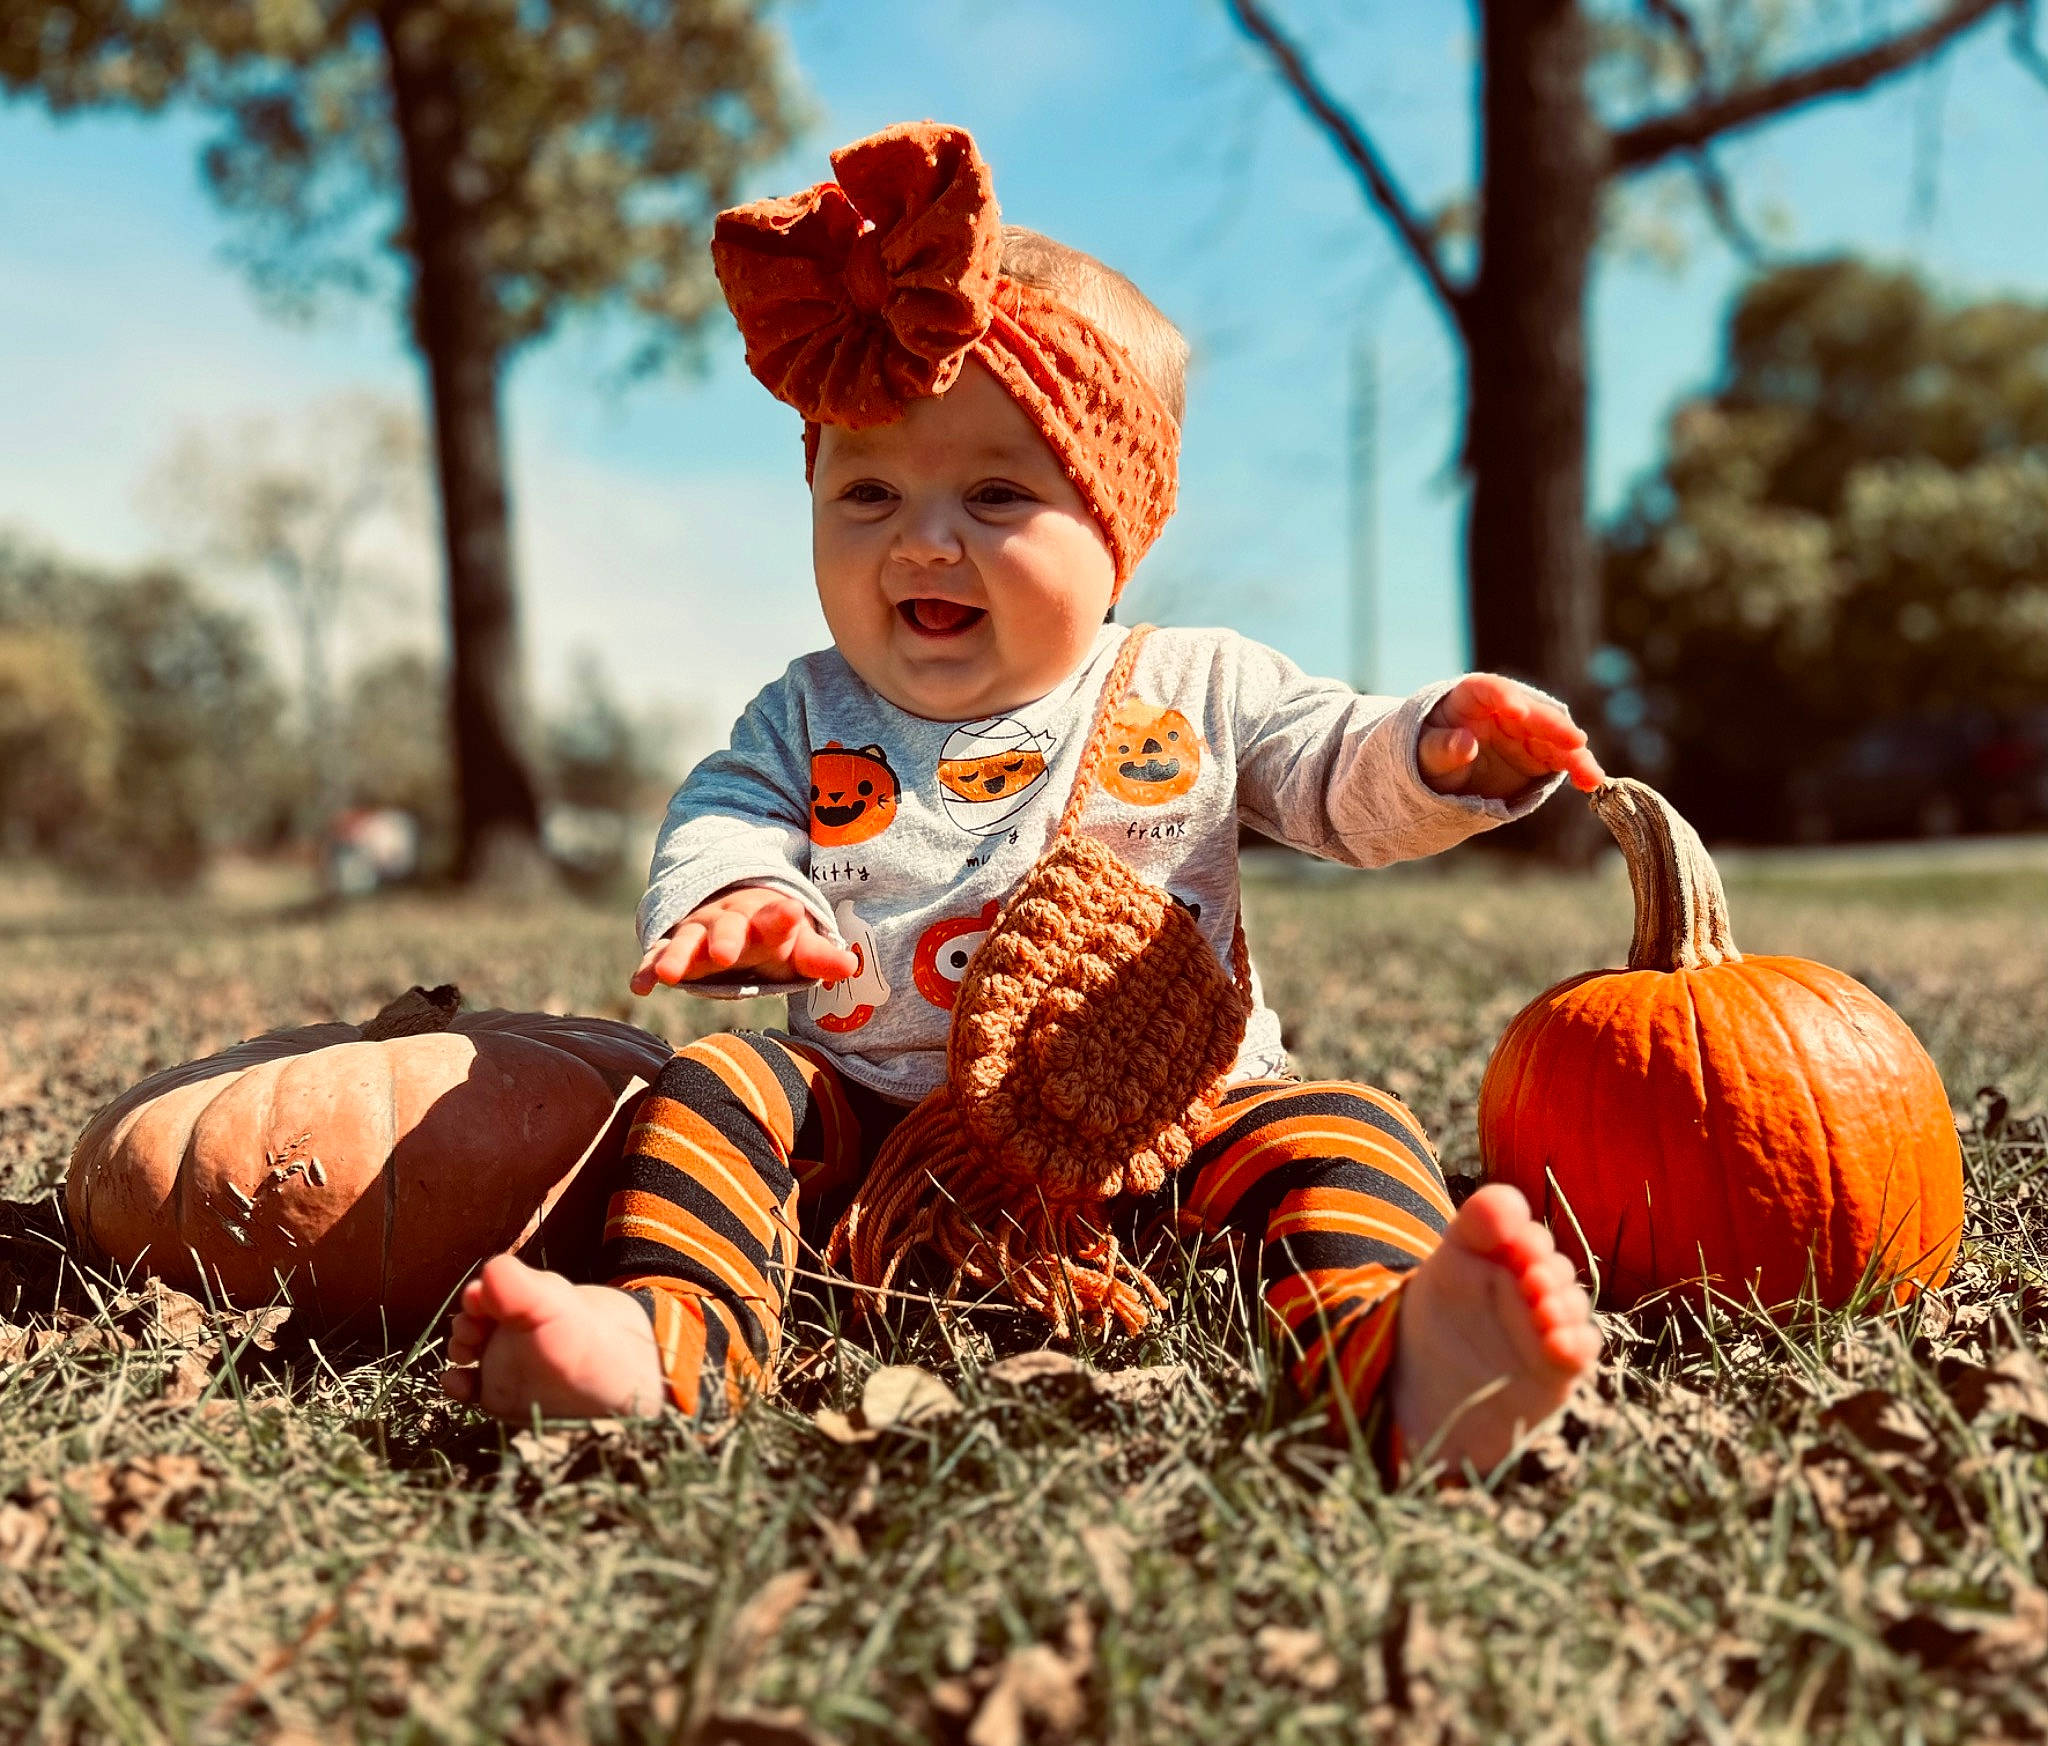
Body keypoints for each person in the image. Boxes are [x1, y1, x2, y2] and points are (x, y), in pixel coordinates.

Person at [443, 122, 1603, 1473]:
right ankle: (669, 1335)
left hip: (1169, 1131)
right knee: (722, 1086)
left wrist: (1434, 750)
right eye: (867, 490)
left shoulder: (1196, 681)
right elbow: (730, 807)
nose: (923, 538)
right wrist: (742, 892)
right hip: (876, 1145)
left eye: (996, 492)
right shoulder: (806, 711)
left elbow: (1331, 769)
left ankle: (1394, 1351)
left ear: (1115, 529)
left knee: (1342, 1128)